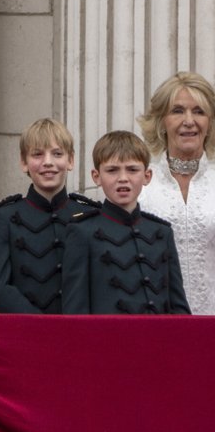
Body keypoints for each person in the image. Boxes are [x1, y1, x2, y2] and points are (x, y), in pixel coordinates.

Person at [62, 130, 190, 314]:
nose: (123, 178)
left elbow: (178, 306)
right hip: (106, 341)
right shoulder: (82, 232)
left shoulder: (162, 232)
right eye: (112, 170)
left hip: (158, 341)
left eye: (132, 169)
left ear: (147, 176)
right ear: (96, 176)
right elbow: (75, 310)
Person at [0, 118, 97, 314]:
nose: (48, 162)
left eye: (57, 154)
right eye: (37, 154)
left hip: (79, 332)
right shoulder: (4, 216)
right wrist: (40, 326)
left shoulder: (91, 215)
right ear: (24, 162)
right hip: (25, 333)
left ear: (70, 160)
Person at [137, 72, 215, 314]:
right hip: (157, 325)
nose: (189, 121)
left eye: (199, 111)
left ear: (210, 122)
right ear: (161, 121)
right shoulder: (140, 184)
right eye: (177, 111)